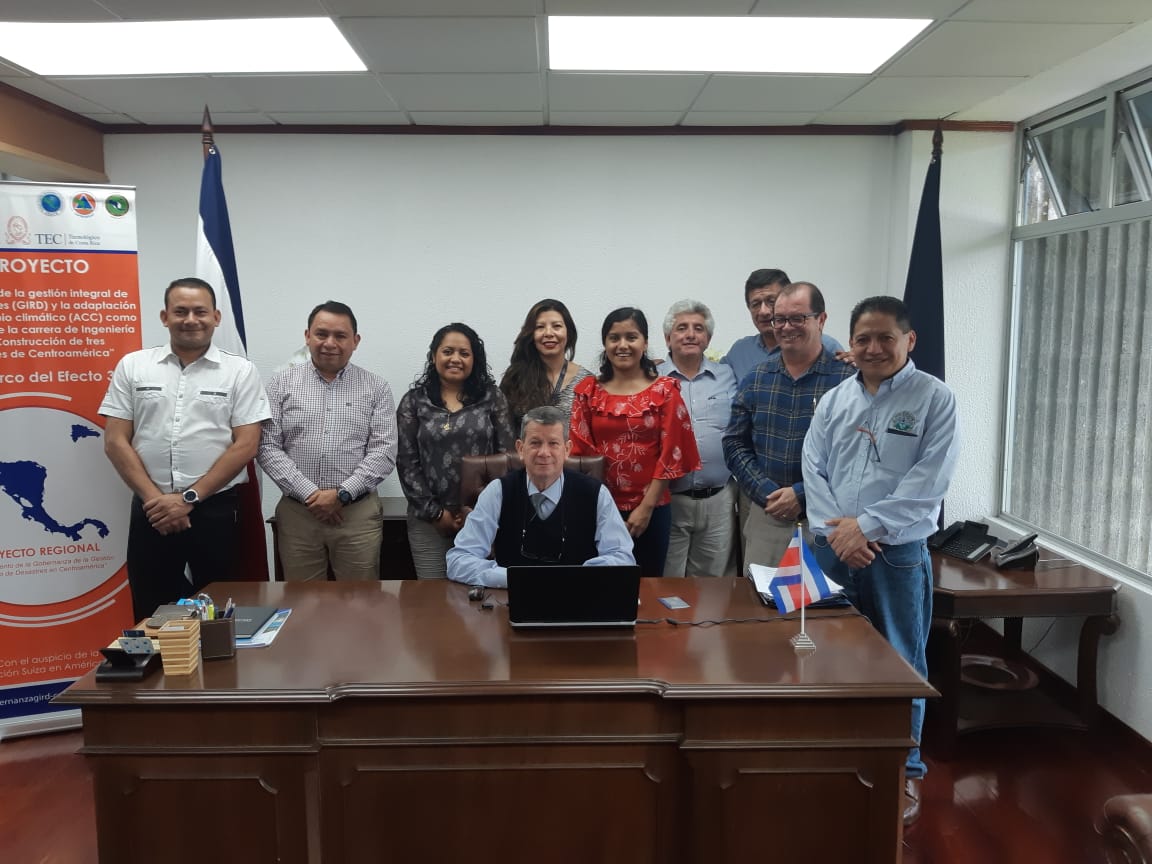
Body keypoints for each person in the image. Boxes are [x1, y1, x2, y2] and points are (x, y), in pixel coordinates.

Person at [802, 295, 960, 828]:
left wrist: (863, 528)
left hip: (895, 554)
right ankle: (840, 754)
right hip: (833, 550)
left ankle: (904, 769)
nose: (873, 348)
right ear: (851, 343)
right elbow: (812, 466)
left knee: (899, 660)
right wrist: (838, 532)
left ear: (908, 341)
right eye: (863, 338)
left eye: (885, 338)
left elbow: (928, 485)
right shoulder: (834, 400)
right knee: (825, 652)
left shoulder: (935, 399)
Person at [99, 277, 270, 621]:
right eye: (180, 311)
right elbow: (115, 440)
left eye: (199, 311)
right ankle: (160, 675)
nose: (190, 319)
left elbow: (246, 444)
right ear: (165, 317)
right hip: (153, 511)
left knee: (221, 615)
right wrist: (156, 501)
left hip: (215, 511)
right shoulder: (134, 366)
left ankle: (220, 676)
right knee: (152, 614)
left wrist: (187, 499)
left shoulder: (240, 371)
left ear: (216, 317)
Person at [258, 301, 397, 581]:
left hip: (356, 514)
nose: (330, 343)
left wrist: (341, 494)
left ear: (355, 341)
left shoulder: (376, 386)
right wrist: (312, 495)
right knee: (303, 605)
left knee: (359, 603)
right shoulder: (280, 383)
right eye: (321, 334)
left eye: (340, 336)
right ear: (307, 336)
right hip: (298, 515)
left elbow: (384, 451)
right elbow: (267, 446)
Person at [723, 282, 853, 570]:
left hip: (830, 521)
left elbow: (859, 457)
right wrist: (767, 492)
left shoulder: (847, 381)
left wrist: (801, 493)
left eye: (797, 318)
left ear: (821, 319)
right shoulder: (757, 378)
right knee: (758, 607)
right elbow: (734, 444)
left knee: (824, 611)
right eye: (779, 319)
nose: (786, 327)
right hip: (768, 517)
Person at [570, 307, 701, 576]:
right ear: (605, 344)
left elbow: (672, 453)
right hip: (597, 507)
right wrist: (601, 507)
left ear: (645, 342)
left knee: (649, 587)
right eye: (614, 338)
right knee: (598, 585)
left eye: (631, 337)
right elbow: (580, 451)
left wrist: (646, 507)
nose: (622, 345)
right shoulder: (588, 391)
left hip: (651, 509)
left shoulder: (665, 391)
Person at [446, 405, 635, 587]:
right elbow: (459, 560)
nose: (544, 453)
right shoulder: (498, 491)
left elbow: (622, 558)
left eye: (553, 443)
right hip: (511, 599)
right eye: (535, 443)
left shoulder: (595, 494)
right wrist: (511, 578)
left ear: (567, 449)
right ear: (521, 449)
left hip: (578, 598)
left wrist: (581, 577)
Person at [397, 323, 516, 579]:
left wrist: (479, 510)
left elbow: (507, 459)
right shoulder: (413, 401)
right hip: (428, 520)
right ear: (433, 356)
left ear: (475, 359)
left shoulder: (492, 398)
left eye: (464, 353)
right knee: (433, 597)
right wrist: (436, 514)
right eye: (447, 351)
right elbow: (407, 462)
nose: (455, 359)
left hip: (484, 519)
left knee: (478, 598)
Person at [656, 300, 738, 577]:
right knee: (667, 582)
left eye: (698, 328)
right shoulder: (651, 378)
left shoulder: (728, 376)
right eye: (682, 328)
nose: (690, 334)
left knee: (711, 587)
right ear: (668, 338)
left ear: (708, 338)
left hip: (719, 499)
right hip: (669, 499)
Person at [724, 268, 845, 383]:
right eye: (755, 304)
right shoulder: (739, 352)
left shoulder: (826, 345)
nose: (763, 311)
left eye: (771, 301)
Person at [499, 298, 593, 426]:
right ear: (531, 334)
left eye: (557, 326)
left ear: (568, 333)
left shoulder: (587, 381)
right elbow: (502, 431)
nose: (548, 333)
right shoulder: (515, 377)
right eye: (540, 327)